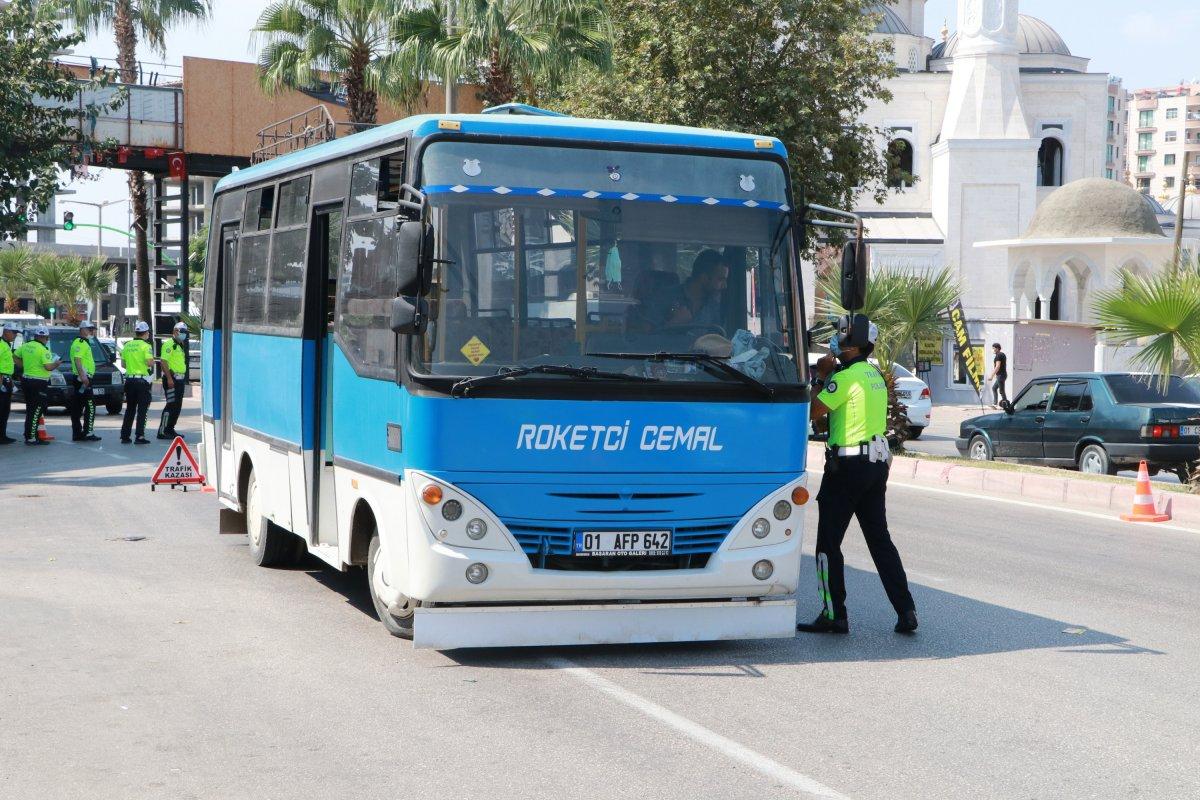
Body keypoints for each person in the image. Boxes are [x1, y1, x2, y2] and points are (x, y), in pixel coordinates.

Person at [797, 314, 918, 636]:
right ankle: (906, 611)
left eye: (839, 337)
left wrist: (822, 376)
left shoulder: (845, 378)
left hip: (847, 468)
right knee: (881, 542)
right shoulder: (873, 374)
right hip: (875, 465)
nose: (833, 342)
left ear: (852, 345)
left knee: (827, 545)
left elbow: (813, 412)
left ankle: (833, 614)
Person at [16, 326, 61, 445]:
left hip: (26, 380)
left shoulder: (26, 346)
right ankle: (31, 437)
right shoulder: (43, 350)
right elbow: (48, 367)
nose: (47, 340)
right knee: (37, 409)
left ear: (35, 336)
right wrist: (57, 363)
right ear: (45, 338)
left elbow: (15, 356)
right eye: (47, 338)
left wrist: (24, 366)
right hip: (39, 382)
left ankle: (30, 434)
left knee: (30, 408)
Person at [668, 249, 728, 328]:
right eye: (720, 279)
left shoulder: (714, 307)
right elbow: (647, 335)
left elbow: (720, 337)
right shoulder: (666, 297)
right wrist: (674, 323)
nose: (725, 286)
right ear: (704, 278)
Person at [120, 321, 155, 444]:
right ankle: (139, 436)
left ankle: (125, 436)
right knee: (142, 410)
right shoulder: (146, 346)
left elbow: (123, 364)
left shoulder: (127, 345)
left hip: (129, 380)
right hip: (142, 381)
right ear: (145, 333)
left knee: (130, 409)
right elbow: (150, 362)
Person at [69, 321, 102, 442]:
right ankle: (88, 432)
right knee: (90, 405)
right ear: (82, 330)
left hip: (81, 378)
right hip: (83, 378)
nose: (92, 332)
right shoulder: (81, 343)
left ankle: (77, 433)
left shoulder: (83, 343)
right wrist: (83, 377)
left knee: (77, 407)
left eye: (92, 329)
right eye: (89, 329)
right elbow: (78, 360)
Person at [158, 321, 189, 440]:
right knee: (170, 405)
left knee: (177, 406)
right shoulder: (169, 344)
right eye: (182, 332)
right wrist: (170, 379)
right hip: (172, 379)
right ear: (175, 331)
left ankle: (170, 429)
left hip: (179, 380)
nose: (184, 334)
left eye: (185, 332)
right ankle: (162, 430)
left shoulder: (180, 345)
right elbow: (163, 362)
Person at [0, 322, 18, 444]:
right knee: (1, 409)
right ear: (6, 332)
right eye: (14, 333)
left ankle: (3, 435)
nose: (15, 335)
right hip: (1, 380)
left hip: (7, 380)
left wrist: (11, 382)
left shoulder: (6, 345)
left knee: (5, 410)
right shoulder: (1, 345)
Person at [988, 343, 1009, 408]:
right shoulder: (1002, 354)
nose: (993, 350)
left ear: (997, 348)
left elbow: (997, 366)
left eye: (993, 348)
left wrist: (991, 375)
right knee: (994, 388)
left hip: (1001, 375)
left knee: (1001, 391)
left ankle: (1006, 405)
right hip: (1002, 375)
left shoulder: (998, 355)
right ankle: (995, 403)